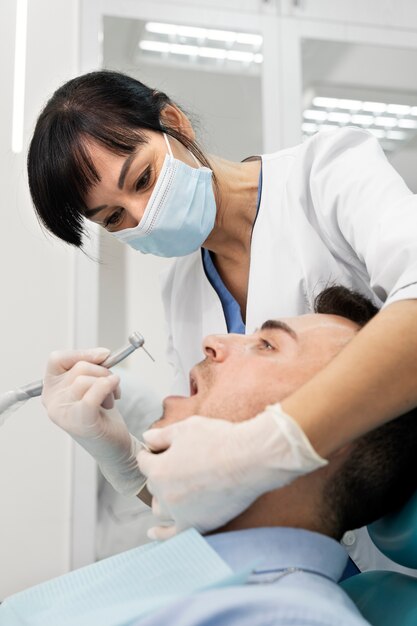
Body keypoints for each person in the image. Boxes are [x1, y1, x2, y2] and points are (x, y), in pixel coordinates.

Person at [28, 70, 417, 563]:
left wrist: (267, 446)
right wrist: (124, 460)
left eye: (143, 179)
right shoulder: (181, 285)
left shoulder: (325, 175)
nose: (141, 215)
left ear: (174, 124)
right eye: (114, 219)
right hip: (300, 563)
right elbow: (208, 488)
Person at [39, 286, 417, 626]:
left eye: (268, 345)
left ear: (330, 431)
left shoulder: (285, 616)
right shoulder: (211, 577)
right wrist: (128, 465)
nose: (211, 340)